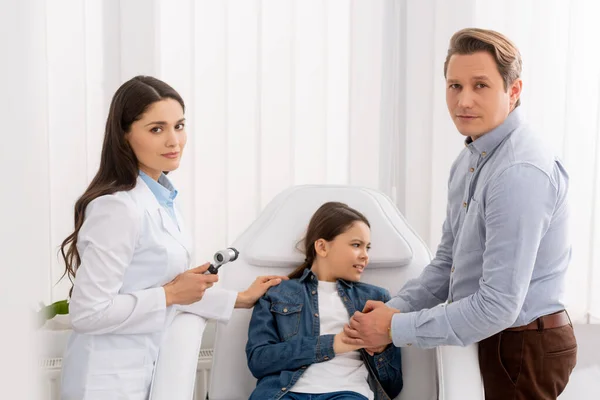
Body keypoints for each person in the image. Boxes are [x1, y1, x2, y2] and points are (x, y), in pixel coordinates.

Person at [343, 28, 577, 399]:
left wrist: (393, 328)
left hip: (522, 347)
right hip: (491, 336)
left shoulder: (518, 172)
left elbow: (497, 305)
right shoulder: (471, 160)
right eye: (455, 86)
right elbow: (447, 264)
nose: (463, 100)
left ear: (513, 91)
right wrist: (391, 310)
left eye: (480, 85)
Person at [58, 76, 286, 400]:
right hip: (104, 381)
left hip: (144, 369)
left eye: (179, 126)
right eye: (156, 129)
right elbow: (87, 312)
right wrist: (169, 293)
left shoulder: (164, 198)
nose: (173, 140)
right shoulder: (115, 208)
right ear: (124, 135)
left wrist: (239, 298)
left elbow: (163, 289)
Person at [245, 202, 403, 400]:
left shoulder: (377, 300)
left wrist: (382, 349)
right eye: (356, 245)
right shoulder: (276, 293)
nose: (365, 256)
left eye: (367, 248)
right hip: (283, 394)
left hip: (348, 393)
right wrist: (332, 344)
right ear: (322, 247)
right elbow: (259, 361)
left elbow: (393, 385)